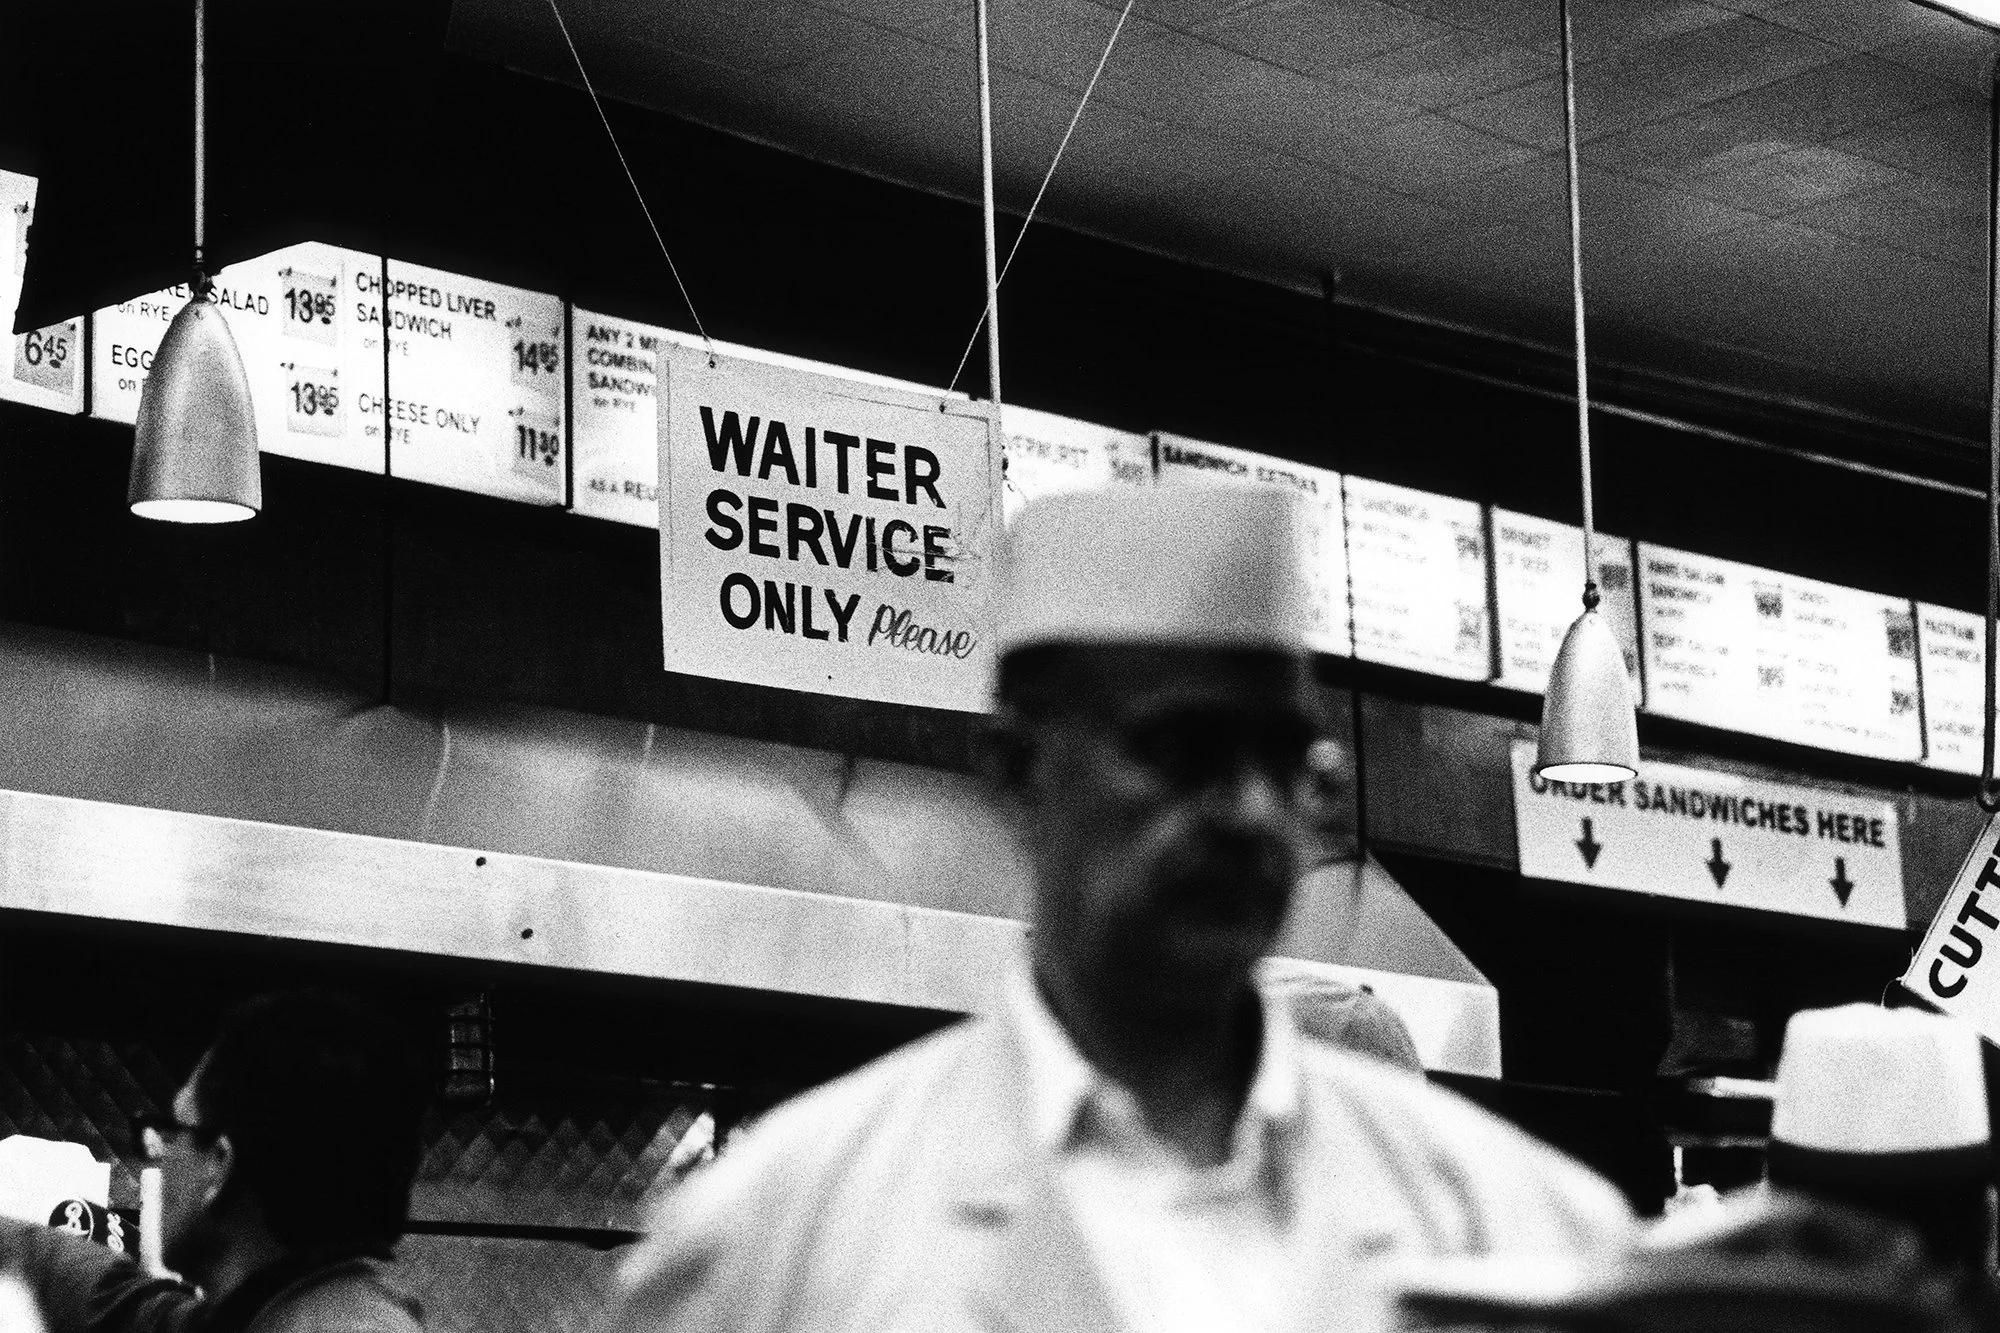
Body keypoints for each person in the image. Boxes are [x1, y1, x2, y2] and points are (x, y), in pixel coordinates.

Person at [598, 485, 1631, 1333]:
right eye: (1179, 754)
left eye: (1284, 762)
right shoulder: (773, 1237)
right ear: (1015, 773)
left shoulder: (1517, 1228)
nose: (1246, 813)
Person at [0, 989, 427, 1333]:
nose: (157, 1154)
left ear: (218, 1167)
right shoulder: (277, 1306)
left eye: (173, 1130)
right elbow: (123, 1304)